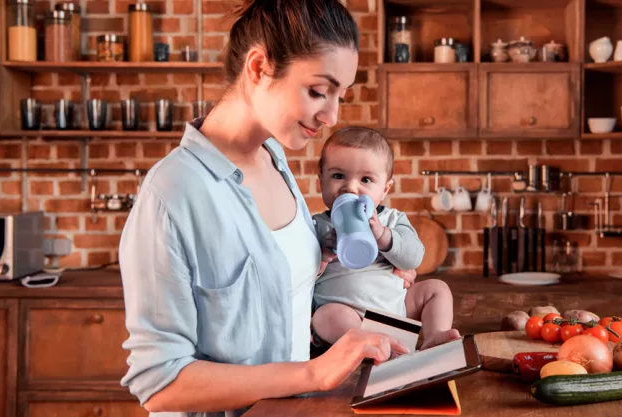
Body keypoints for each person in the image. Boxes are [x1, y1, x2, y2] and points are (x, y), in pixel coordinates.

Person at [118, 1, 421, 416]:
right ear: (259, 67)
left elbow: (289, 286)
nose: (331, 115)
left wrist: (385, 261)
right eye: (318, 91)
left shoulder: (275, 160)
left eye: (339, 96)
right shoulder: (172, 193)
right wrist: (315, 374)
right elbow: (159, 383)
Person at [311, 127, 461, 350]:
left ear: (385, 189)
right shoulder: (315, 226)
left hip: (395, 311)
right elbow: (299, 276)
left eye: (366, 179)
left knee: (437, 289)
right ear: (320, 179)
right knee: (325, 316)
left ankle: (433, 337)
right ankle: (371, 348)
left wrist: (382, 236)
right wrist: (322, 256)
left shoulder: (392, 219)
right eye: (338, 176)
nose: (351, 187)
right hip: (349, 320)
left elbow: (414, 257)